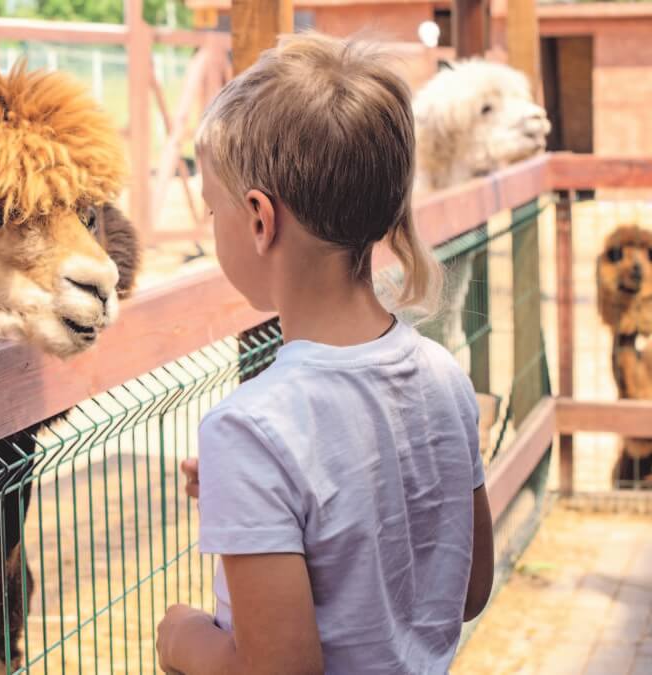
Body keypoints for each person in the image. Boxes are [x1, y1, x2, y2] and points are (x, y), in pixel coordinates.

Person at [155, 32, 494, 674]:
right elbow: (469, 590)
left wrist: (180, 635)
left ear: (260, 220)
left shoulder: (251, 429)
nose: (211, 228)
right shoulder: (444, 376)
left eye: (212, 212)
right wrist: (265, 499)